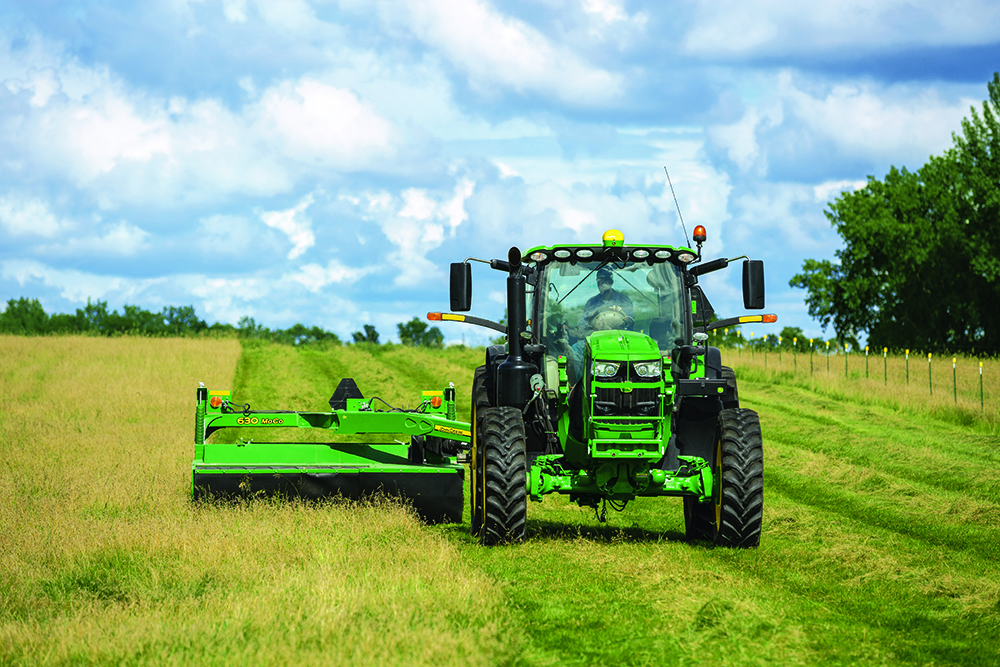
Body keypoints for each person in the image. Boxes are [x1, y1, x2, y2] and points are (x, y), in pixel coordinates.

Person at [563, 268, 635, 381]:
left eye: (605, 281)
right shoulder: (591, 303)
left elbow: (629, 324)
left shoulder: (624, 300)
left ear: (611, 282)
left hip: (620, 340)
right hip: (596, 340)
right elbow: (583, 326)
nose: (601, 285)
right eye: (599, 282)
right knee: (575, 349)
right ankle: (581, 385)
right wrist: (571, 329)